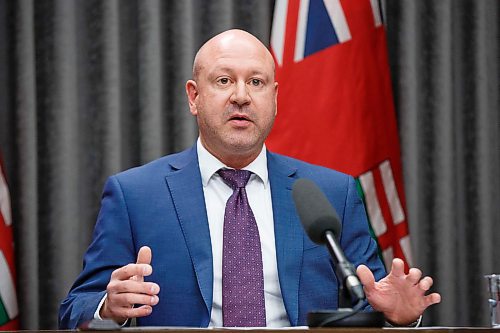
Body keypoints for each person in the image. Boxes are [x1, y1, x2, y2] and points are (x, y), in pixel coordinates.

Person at [59, 29, 440, 329]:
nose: (241, 96)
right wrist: (109, 307)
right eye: (224, 81)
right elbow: (75, 309)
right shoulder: (135, 194)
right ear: (194, 97)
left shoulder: (332, 193)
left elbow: (369, 299)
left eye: (256, 83)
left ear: (274, 98)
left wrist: (399, 317)